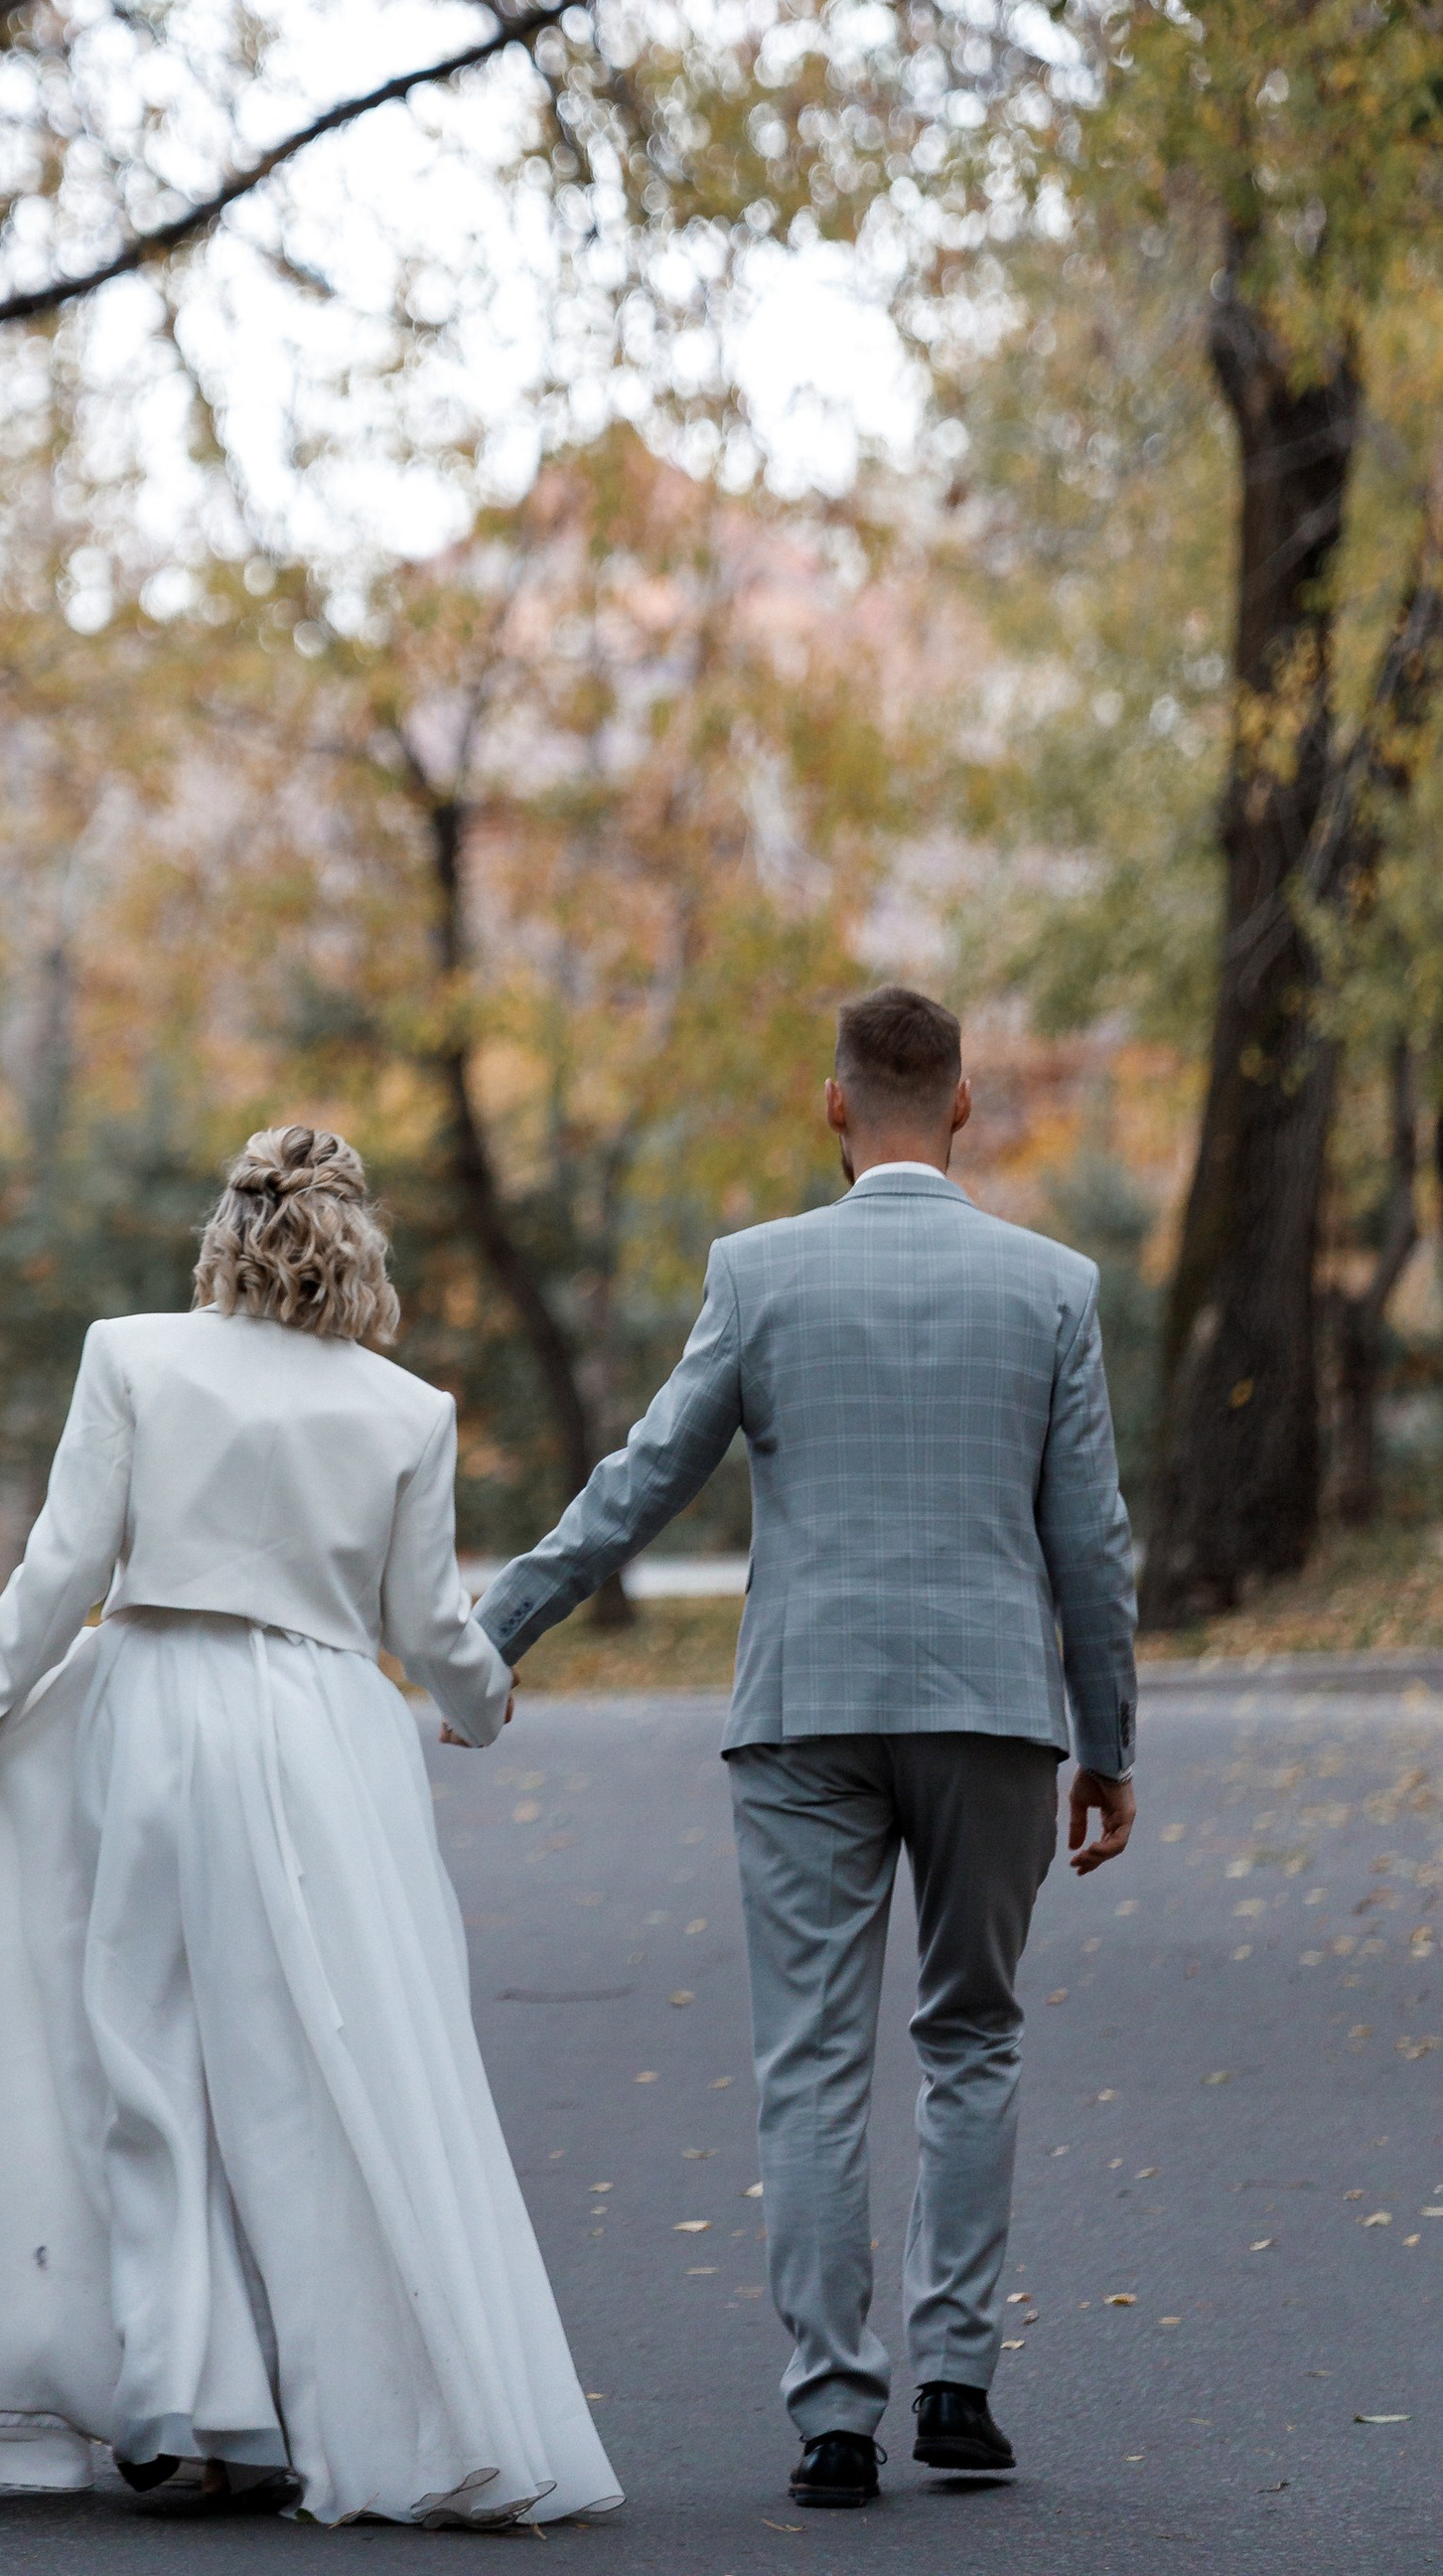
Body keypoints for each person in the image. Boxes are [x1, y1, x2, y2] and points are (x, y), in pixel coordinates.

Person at [0, 1122, 622, 2530]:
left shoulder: (133, 1354)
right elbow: (431, 1626)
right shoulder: (406, 1410)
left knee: (149, 2059)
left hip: (155, 1712)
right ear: (357, 1243)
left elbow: (63, 1570)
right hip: (324, 1738)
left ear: (225, 1235)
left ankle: (197, 2405)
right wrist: (484, 1707)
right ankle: (347, 2400)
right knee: (323, 2070)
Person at [474, 986, 1137, 2512]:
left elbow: (642, 1480)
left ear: (833, 1104)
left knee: (811, 2064)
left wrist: (493, 1635)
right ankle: (957, 2382)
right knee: (973, 2033)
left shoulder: (760, 1275)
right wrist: (1106, 1740)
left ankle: (836, 2416)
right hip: (988, 1713)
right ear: (962, 1102)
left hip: (806, 1717)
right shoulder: (1054, 1288)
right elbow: (1091, 1542)